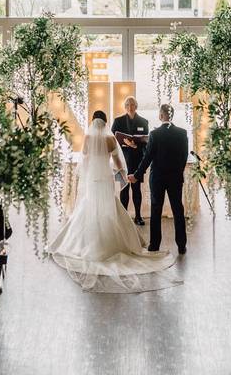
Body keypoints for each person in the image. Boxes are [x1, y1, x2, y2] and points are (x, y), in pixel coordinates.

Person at [49, 110, 177, 292]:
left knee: (90, 206)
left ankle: (88, 241)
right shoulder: (109, 139)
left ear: (93, 122)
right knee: (109, 206)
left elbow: (84, 159)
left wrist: (87, 174)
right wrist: (123, 175)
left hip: (93, 179)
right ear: (106, 122)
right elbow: (117, 160)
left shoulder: (88, 138)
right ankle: (117, 241)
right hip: (106, 179)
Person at [130, 104, 189, 254]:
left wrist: (137, 175)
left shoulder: (155, 134)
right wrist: (177, 171)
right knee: (178, 209)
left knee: (156, 210)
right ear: (171, 116)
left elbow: (147, 158)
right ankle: (181, 245)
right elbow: (184, 157)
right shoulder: (182, 133)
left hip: (157, 178)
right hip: (175, 177)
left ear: (161, 115)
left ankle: (154, 245)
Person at [111, 96, 150, 226]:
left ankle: (138, 216)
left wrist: (136, 145)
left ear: (136, 106)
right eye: (127, 104)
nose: (130, 106)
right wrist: (125, 143)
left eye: (132, 104)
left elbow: (146, 142)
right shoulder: (118, 121)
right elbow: (112, 141)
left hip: (137, 161)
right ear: (124, 106)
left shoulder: (144, 122)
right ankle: (124, 217)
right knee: (124, 189)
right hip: (122, 161)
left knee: (136, 189)